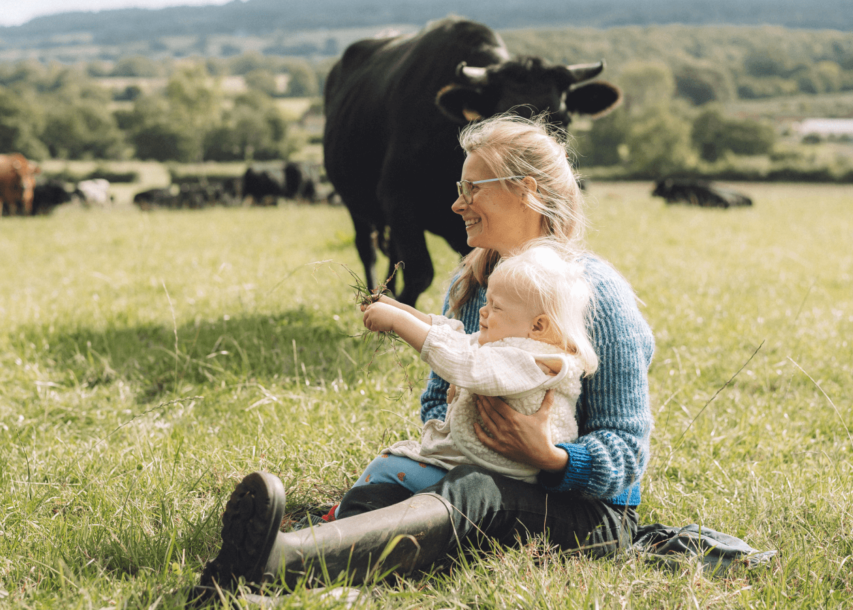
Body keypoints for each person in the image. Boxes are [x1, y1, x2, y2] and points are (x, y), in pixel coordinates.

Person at [188, 115, 654, 603]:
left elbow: (626, 451)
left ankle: (280, 562)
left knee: (474, 490)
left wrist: (551, 457)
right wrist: (461, 415)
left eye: (473, 188)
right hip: (469, 475)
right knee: (400, 478)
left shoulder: (597, 294)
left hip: (587, 514)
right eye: (459, 187)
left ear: (525, 190)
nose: (457, 203)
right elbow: (435, 403)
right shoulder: (469, 283)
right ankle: (265, 576)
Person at [355, 241, 598, 488]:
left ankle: (337, 521)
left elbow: (462, 361)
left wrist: (398, 321)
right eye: (487, 301)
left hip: (501, 481)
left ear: (537, 326)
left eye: (496, 307)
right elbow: (458, 338)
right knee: (390, 470)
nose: (483, 311)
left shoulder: (532, 363)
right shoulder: (514, 348)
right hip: (481, 471)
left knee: (387, 467)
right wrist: (399, 308)